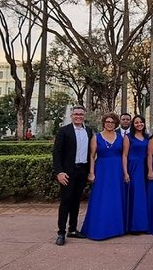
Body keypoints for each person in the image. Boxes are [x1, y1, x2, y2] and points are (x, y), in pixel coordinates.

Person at [81, 113, 126, 240]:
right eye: (107, 121)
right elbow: (91, 156)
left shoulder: (121, 137)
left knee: (115, 198)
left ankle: (115, 229)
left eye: (112, 122)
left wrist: (125, 172)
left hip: (116, 171)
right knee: (101, 198)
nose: (110, 124)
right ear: (104, 123)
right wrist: (91, 172)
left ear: (116, 124)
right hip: (102, 170)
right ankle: (98, 228)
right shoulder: (96, 137)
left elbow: (124, 156)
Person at [52, 105, 93, 246]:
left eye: (81, 114)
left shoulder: (88, 131)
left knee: (76, 201)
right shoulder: (64, 131)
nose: (78, 116)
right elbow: (56, 153)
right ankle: (61, 232)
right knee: (66, 201)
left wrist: (90, 171)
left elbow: (91, 153)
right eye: (76, 114)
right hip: (67, 172)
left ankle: (73, 229)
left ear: (84, 116)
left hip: (82, 171)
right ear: (72, 116)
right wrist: (59, 172)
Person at [122, 115, 149, 233]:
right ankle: (134, 226)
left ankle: (144, 223)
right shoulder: (128, 137)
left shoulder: (148, 137)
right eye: (136, 122)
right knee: (136, 195)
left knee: (144, 195)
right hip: (133, 168)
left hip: (145, 167)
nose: (139, 124)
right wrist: (125, 172)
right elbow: (124, 155)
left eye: (141, 122)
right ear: (133, 124)